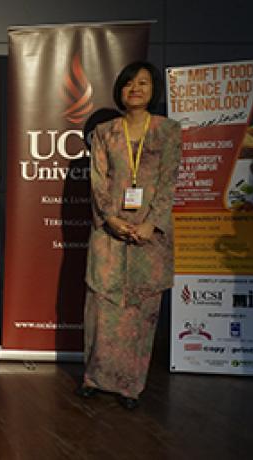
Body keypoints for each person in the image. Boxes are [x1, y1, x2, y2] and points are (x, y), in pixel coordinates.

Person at [77, 61, 182, 410]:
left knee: (141, 311)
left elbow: (168, 183)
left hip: (150, 237)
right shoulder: (106, 132)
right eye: (129, 83)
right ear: (120, 90)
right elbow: (98, 181)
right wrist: (110, 218)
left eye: (143, 83)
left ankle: (130, 386)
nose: (135, 88)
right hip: (110, 234)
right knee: (101, 307)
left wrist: (152, 223)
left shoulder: (168, 131)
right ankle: (93, 378)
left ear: (153, 91)